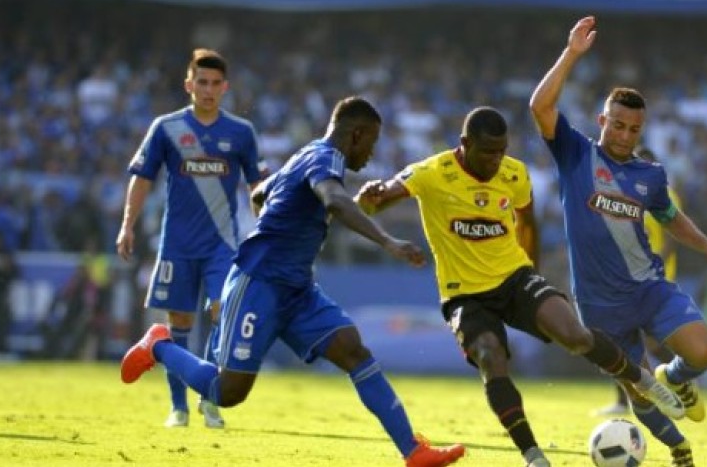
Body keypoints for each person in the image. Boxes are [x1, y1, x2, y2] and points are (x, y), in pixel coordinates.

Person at [120, 96, 466, 467]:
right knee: (227, 392)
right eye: (372, 142)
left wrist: (286, 239)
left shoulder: (307, 154)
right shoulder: (325, 159)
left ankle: (412, 451)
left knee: (353, 349)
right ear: (356, 134)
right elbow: (333, 201)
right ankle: (160, 344)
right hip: (260, 284)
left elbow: (259, 194)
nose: (371, 152)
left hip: (296, 288)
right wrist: (387, 241)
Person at [354, 106, 683, 467]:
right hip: (464, 294)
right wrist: (373, 196)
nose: (496, 159)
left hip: (515, 278)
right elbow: (380, 197)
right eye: (487, 152)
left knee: (573, 334)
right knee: (490, 357)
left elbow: (527, 222)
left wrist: (532, 274)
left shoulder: (514, 173)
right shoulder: (433, 172)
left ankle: (644, 381)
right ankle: (533, 455)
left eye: (501, 150)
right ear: (464, 144)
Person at [529, 16, 707, 467]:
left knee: (704, 352)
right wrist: (571, 54)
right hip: (598, 304)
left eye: (634, 130)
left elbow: (671, 219)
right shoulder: (575, 153)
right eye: (618, 125)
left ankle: (678, 378)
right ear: (602, 120)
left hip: (648, 288)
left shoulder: (650, 175)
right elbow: (540, 108)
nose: (625, 136)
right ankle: (677, 447)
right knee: (638, 391)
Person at [116, 48, 268, 428]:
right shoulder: (166, 127)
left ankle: (210, 398)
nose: (209, 89)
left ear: (226, 88)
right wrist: (127, 224)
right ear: (189, 84)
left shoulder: (240, 132)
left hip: (223, 245)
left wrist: (267, 227)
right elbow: (143, 177)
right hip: (177, 245)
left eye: (216, 83)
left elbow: (258, 185)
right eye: (202, 82)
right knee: (178, 321)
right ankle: (178, 406)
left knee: (221, 313)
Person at [594, 146, 681, 416]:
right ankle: (624, 400)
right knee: (620, 338)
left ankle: (682, 377)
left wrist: (653, 268)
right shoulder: (624, 194)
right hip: (625, 279)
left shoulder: (664, 195)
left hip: (653, 278)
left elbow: (670, 238)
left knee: (649, 341)